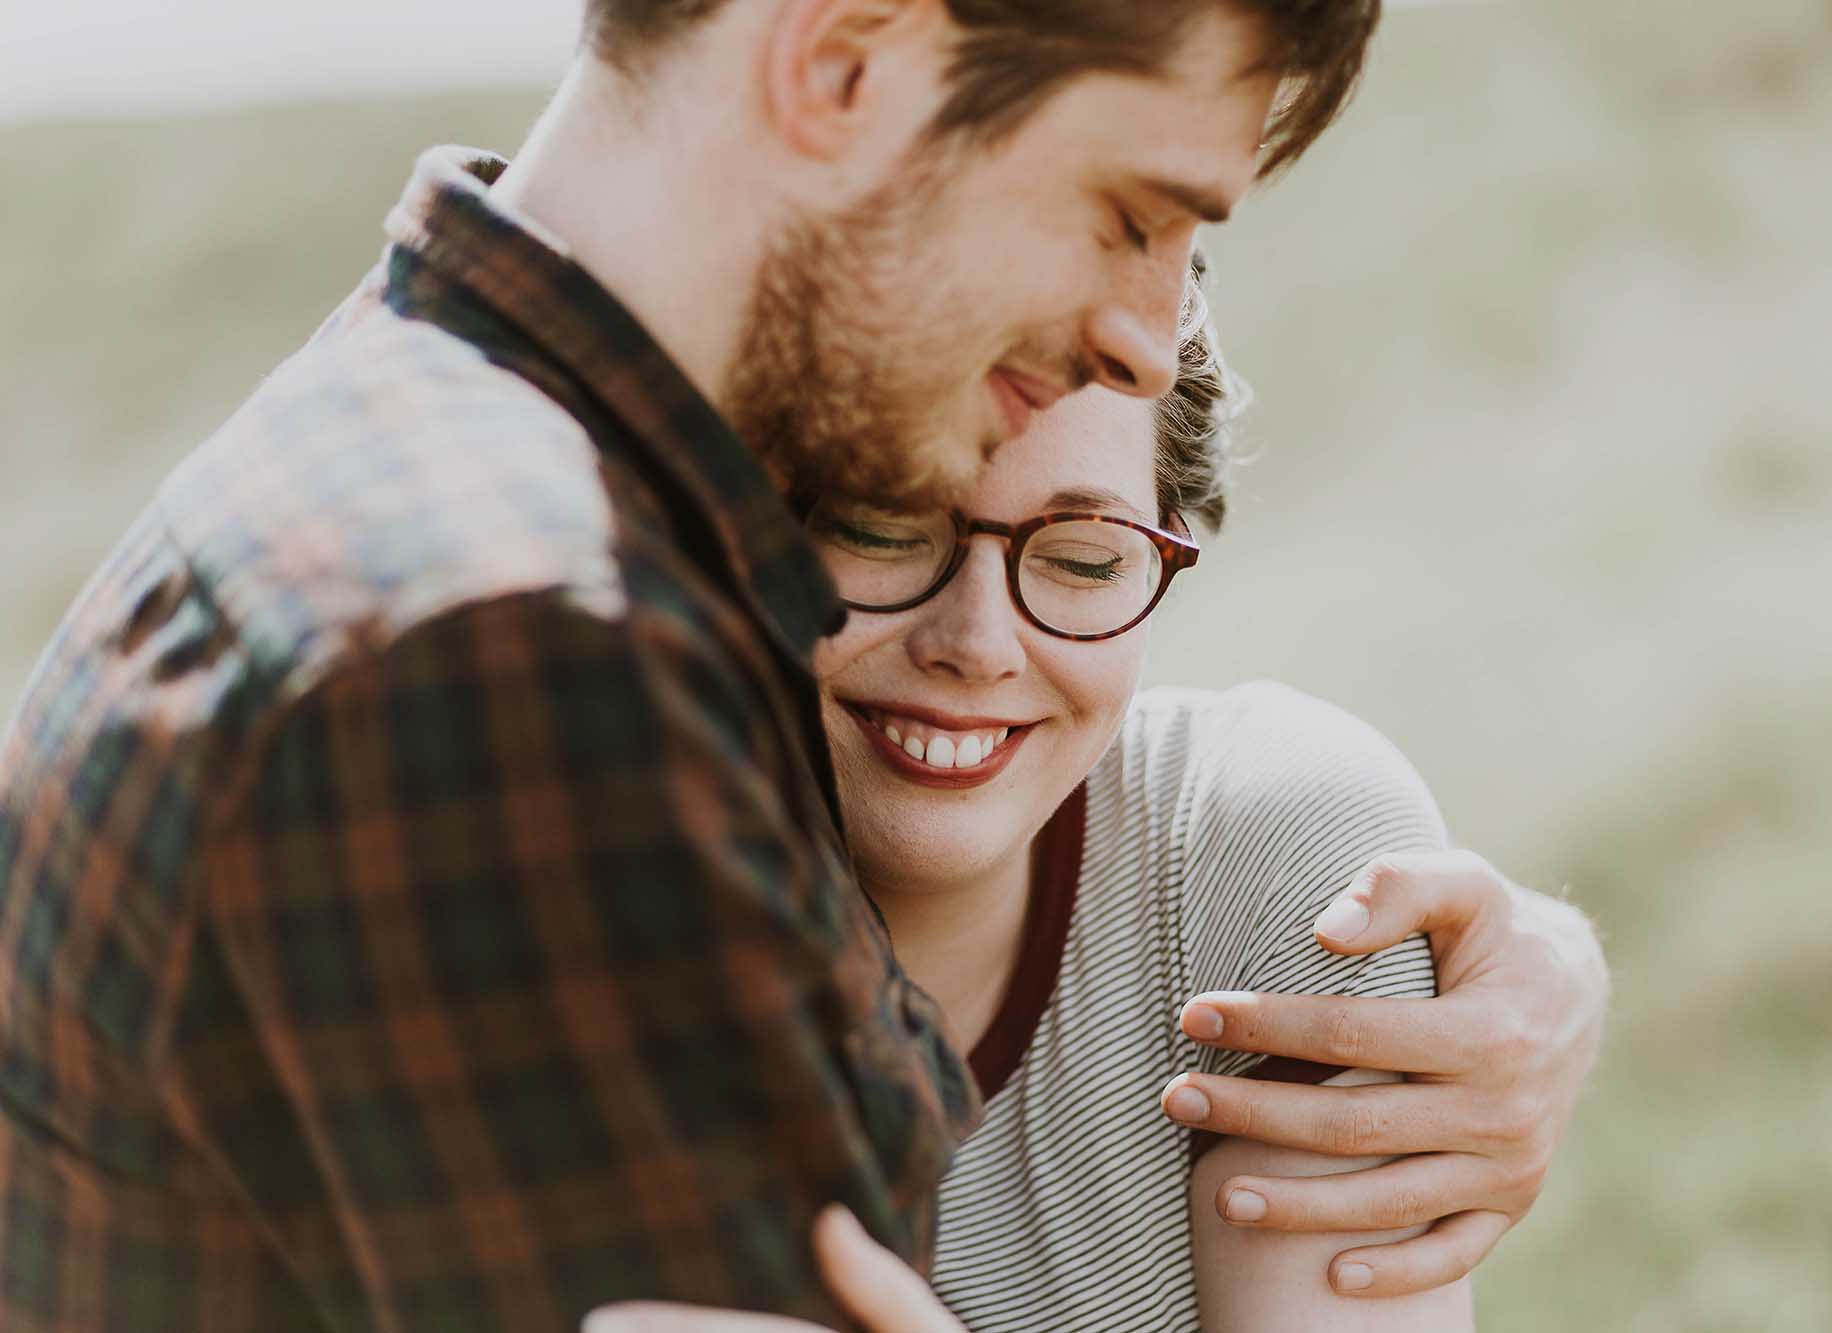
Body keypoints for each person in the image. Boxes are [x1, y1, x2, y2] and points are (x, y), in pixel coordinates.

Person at [0, 2, 1603, 1329]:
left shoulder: (408, 481)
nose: (1143, 330)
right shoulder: (515, 655)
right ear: (844, 63)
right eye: (1130, 214)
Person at [590, 267, 1577, 1332]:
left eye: (1080, 558)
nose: (972, 644)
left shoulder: (1269, 851)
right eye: (880, 527)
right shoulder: (517, 899)